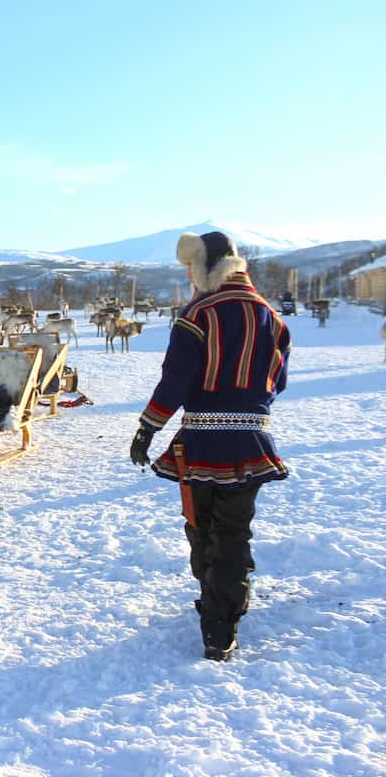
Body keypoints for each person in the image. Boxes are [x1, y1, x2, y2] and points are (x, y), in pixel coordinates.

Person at [129, 231, 290, 661]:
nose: (187, 275)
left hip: (202, 441)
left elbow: (176, 380)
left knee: (203, 525)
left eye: (189, 268)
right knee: (234, 530)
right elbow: (279, 382)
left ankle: (216, 626)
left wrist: (148, 427)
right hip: (253, 440)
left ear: (205, 267)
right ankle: (229, 606)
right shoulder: (272, 318)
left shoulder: (198, 314)